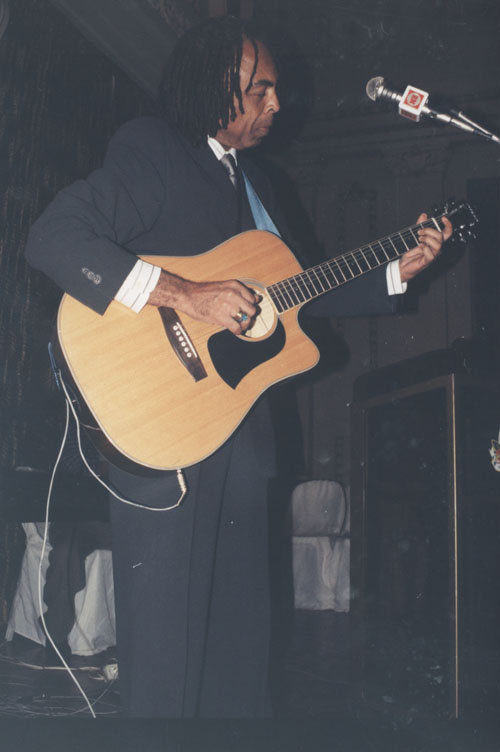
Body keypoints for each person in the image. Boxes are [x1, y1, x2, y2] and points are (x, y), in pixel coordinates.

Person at [25, 16, 452, 717]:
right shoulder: (155, 149)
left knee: (238, 654)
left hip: (242, 440)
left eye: (275, 91)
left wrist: (393, 271)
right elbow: (54, 237)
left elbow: (294, 294)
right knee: (165, 663)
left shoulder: (260, 184)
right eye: (260, 91)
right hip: (162, 430)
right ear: (214, 86)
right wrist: (185, 293)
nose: (276, 104)